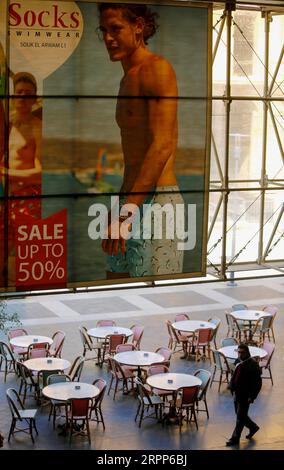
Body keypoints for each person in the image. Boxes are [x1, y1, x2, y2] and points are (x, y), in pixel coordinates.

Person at [98, 3, 184, 279]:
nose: (108, 38)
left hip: (156, 201)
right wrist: (121, 208)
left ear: (138, 27)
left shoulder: (156, 69)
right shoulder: (127, 79)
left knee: (153, 301)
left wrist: (125, 213)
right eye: (104, 30)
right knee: (114, 290)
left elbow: (162, 146)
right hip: (129, 198)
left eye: (116, 29)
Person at [0, 72, 42, 283]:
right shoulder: (9, 126)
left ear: (35, 98)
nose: (23, 98)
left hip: (29, 202)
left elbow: (40, 173)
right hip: (8, 200)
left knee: (26, 260)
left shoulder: (37, 128)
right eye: (19, 93)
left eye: (28, 94)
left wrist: (6, 174)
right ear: (13, 96)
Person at [226, 343, 262, 446]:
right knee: (240, 415)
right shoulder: (238, 361)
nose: (240, 354)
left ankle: (234, 439)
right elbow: (235, 374)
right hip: (237, 393)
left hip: (245, 396)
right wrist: (231, 385)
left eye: (242, 352)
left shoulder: (253, 365)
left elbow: (258, 384)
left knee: (240, 418)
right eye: (239, 352)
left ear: (247, 352)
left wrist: (252, 396)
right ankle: (253, 427)